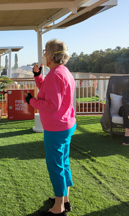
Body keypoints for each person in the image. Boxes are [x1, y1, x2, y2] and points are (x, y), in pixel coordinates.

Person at [25, 39, 76, 216]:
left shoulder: (55, 74)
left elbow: (52, 104)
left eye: (45, 51)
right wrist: (38, 76)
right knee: (63, 162)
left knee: (56, 166)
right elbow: (47, 89)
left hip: (56, 127)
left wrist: (31, 101)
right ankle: (65, 200)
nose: (44, 55)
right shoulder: (62, 72)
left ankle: (58, 208)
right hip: (66, 124)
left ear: (52, 55)